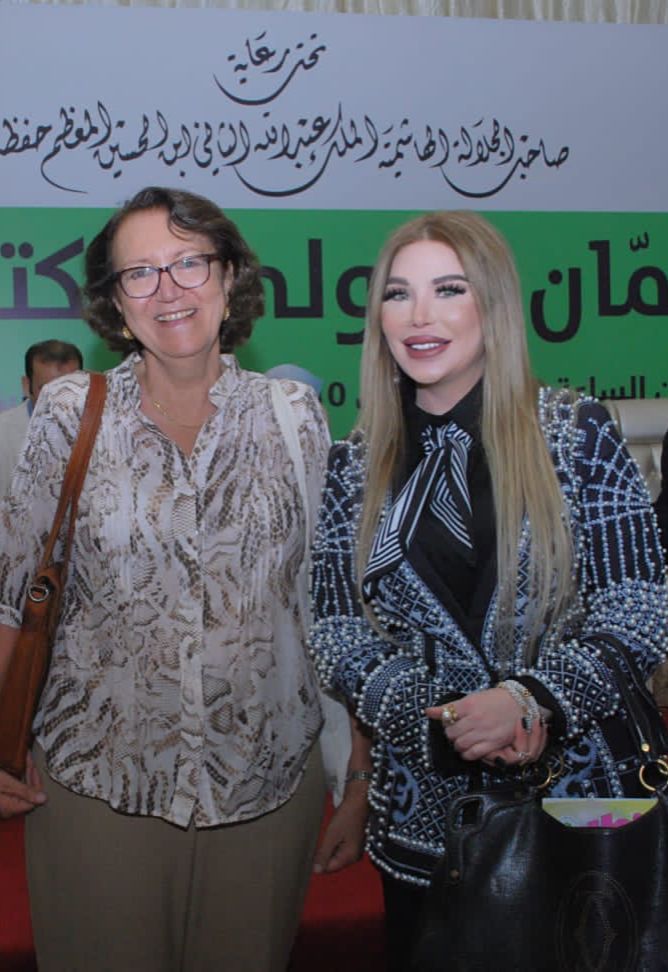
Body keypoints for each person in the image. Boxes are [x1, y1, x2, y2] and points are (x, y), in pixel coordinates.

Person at [0, 186, 361, 972]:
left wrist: (357, 775)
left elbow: (327, 605)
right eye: (140, 273)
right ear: (115, 302)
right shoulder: (67, 413)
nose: (168, 289)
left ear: (229, 277)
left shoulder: (295, 417)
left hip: (267, 788)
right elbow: (13, 595)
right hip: (99, 787)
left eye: (189, 263)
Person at [308, 211, 668, 971]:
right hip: (426, 831)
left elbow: (638, 605)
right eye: (398, 294)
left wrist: (534, 700)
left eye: (449, 289)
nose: (420, 316)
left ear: (493, 304)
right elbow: (336, 631)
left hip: (587, 811)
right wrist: (444, 719)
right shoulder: (353, 464)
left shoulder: (576, 433)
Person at [0, 339, 83, 497]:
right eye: (48, 390)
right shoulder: (3, 434)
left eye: (69, 389)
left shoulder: (103, 430)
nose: (60, 400)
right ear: (27, 386)